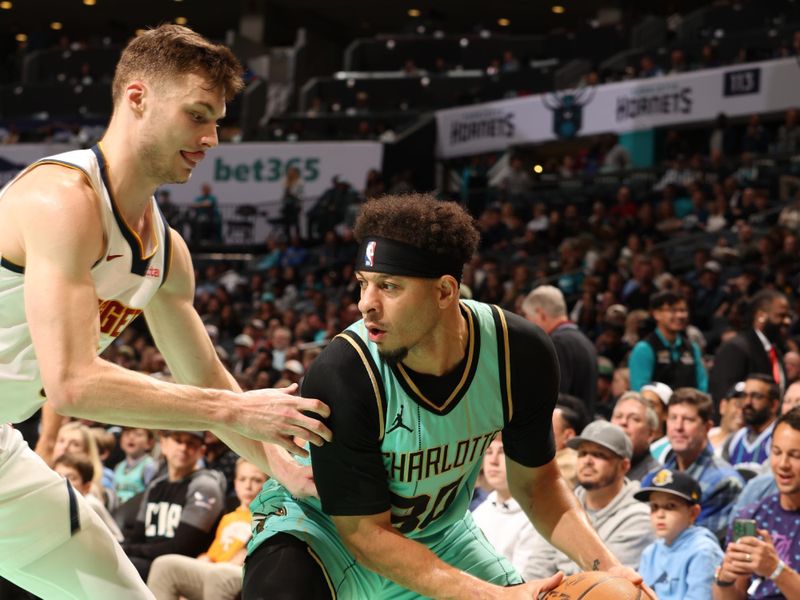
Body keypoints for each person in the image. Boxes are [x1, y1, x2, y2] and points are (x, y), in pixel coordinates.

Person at [0, 24, 330, 599]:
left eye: (218, 122)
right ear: (137, 98)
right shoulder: (60, 199)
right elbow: (73, 383)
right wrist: (238, 409)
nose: (212, 139)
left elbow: (205, 379)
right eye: (198, 115)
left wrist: (285, 468)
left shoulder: (167, 252)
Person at [243, 194, 648, 599]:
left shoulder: (518, 354)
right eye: (363, 284)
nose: (366, 304)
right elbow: (364, 534)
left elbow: (538, 485)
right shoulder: (345, 372)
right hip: (325, 532)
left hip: (438, 536)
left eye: (389, 286)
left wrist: (610, 569)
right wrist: (492, 596)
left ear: (444, 291)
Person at [524, 421, 654, 579]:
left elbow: (605, 585)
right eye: (583, 453)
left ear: (624, 466)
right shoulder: (561, 506)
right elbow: (537, 568)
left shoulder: (639, 518)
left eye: (599, 455)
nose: (587, 461)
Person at [147, 458, 267, 600]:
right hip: (213, 569)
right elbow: (214, 552)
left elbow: (246, 556)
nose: (248, 486)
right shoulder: (228, 517)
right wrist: (205, 558)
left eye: (256, 480)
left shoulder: (266, 516)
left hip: (236, 573)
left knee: (219, 576)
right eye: (242, 479)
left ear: (268, 485)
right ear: (235, 484)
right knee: (163, 565)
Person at [713, 407, 800, 599]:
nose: (783, 464)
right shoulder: (752, 515)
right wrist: (725, 579)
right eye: (777, 452)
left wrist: (775, 570)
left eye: (795, 456)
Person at [643, 388, 744, 541]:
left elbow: (701, 541)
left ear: (707, 427)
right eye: (673, 418)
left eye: (688, 419)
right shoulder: (657, 476)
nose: (678, 427)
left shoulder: (725, 482)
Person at [123, 431, 225, 580]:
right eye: (178, 440)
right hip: (147, 560)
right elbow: (137, 536)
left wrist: (128, 549)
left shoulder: (205, 487)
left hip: (182, 568)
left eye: (191, 443)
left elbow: (182, 548)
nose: (183, 448)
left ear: (201, 451)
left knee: (124, 567)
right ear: (163, 444)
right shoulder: (156, 486)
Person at [635, 469, 723, 600]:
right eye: (654, 507)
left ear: (693, 513)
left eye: (670, 506)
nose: (660, 514)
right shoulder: (650, 552)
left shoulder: (703, 552)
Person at [522, 284, 598, 414]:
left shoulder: (556, 344)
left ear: (541, 315)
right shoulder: (586, 342)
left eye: (528, 318)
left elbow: (555, 399)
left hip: (565, 427)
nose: (526, 325)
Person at [472, 435, 541, 574]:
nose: (493, 461)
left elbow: (524, 580)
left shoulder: (535, 517)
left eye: (503, 451)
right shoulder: (479, 513)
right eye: (489, 452)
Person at [709, 290, 791, 404]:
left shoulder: (775, 351)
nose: (787, 321)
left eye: (788, 316)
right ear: (761, 316)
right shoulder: (736, 348)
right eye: (781, 315)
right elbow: (724, 396)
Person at [628, 291, 708, 393]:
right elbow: (640, 391)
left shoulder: (692, 348)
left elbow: (702, 388)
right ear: (656, 314)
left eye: (683, 310)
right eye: (673, 310)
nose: (680, 315)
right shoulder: (644, 349)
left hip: (688, 407)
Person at [55, 452, 125, 543]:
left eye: (71, 477)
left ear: (86, 487)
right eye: (57, 475)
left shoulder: (90, 504)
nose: (62, 481)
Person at [722, 374, 781, 474]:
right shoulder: (734, 439)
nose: (747, 402)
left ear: (774, 405)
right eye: (744, 396)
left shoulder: (780, 438)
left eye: (756, 396)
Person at [611, 391, 661, 481]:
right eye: (618, 416)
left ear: (650, 434)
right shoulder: (598, 468)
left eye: (634, 419)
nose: (623, 422)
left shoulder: (656, 478)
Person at [114, 427, 157, 505]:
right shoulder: (118, 466)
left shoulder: (149, 466)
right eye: (127, 434)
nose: (131, 437)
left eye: (138, 434)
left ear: (149, 443)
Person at [709, 383, 745, 456]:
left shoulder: (744, 449)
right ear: (723, 406)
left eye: (746, 408)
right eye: (738, 404)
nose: (741, 412)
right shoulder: (706, 433)